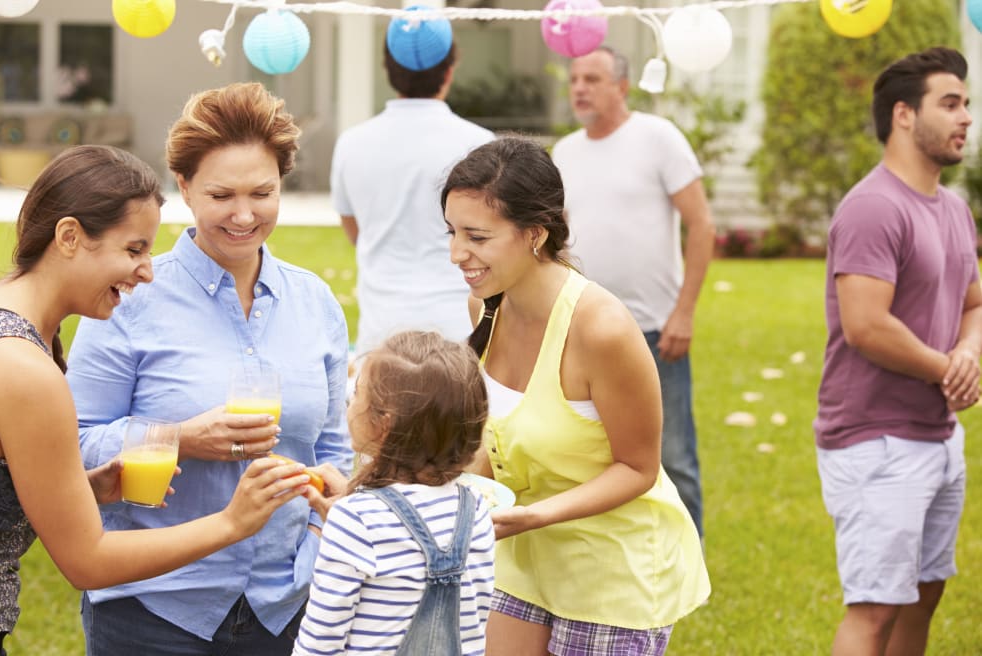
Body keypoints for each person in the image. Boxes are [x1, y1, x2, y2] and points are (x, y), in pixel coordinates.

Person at [0, 145, 307, 656]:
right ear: (69, 237)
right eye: (134, 250)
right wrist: (232, 523)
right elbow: (87, 562)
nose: (147, 272)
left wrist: (83, 489)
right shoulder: (24, 370)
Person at [66, 83, 353, 656]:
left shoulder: (315, 302)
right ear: (184, 187)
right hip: (154, 607)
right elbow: (71, 445)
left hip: (285, 608)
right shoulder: (130, 297)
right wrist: (180, 437)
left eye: (262, 193)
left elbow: (331, 448)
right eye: (222, 195)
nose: (244, 215)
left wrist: (319, 539)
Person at [444, 137, 709, 656]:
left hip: (613, 572)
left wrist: (535, 515)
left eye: (477, 236)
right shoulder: (486, 308)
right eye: (451, 232)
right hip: (524, 558)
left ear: (535, 234)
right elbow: (494, 444)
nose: (457, 253)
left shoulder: (601, 329)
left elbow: (638, 468)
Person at [814, 47, 980, 656]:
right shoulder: (873, 207)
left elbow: (974, 303)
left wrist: (968, 353)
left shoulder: (954, 208)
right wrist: (948, 368)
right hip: (875, 440)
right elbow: (866, 325)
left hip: (937, 435)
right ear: (904, 115)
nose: (966, 117)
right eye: (950, 103)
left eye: (966, 104)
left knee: (924, 594)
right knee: (874, 609)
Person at [551, 46, 715, 538]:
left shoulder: (658, 138)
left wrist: (683, 313)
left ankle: (689, 562)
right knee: (594, 456)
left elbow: (702, 225)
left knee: (674, 457)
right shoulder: (565, 153)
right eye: (575, 79)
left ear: (622, 86)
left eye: (592, 79)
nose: (580, 88)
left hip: (653, 331)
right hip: (581, 332)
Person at [293, 330, 495, 655]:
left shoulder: (354, 519)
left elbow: (319, 645)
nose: (350, 404)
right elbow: (472, 629)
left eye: (357, 393)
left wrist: (351, 518)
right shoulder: (476, 511)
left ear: (383, 424)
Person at [329, 12, 493, 356]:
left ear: (387, 68)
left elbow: (355, 232)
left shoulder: (352, 143)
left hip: (381, 334)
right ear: (450, 69)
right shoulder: (481, 144)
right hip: (460, 330)